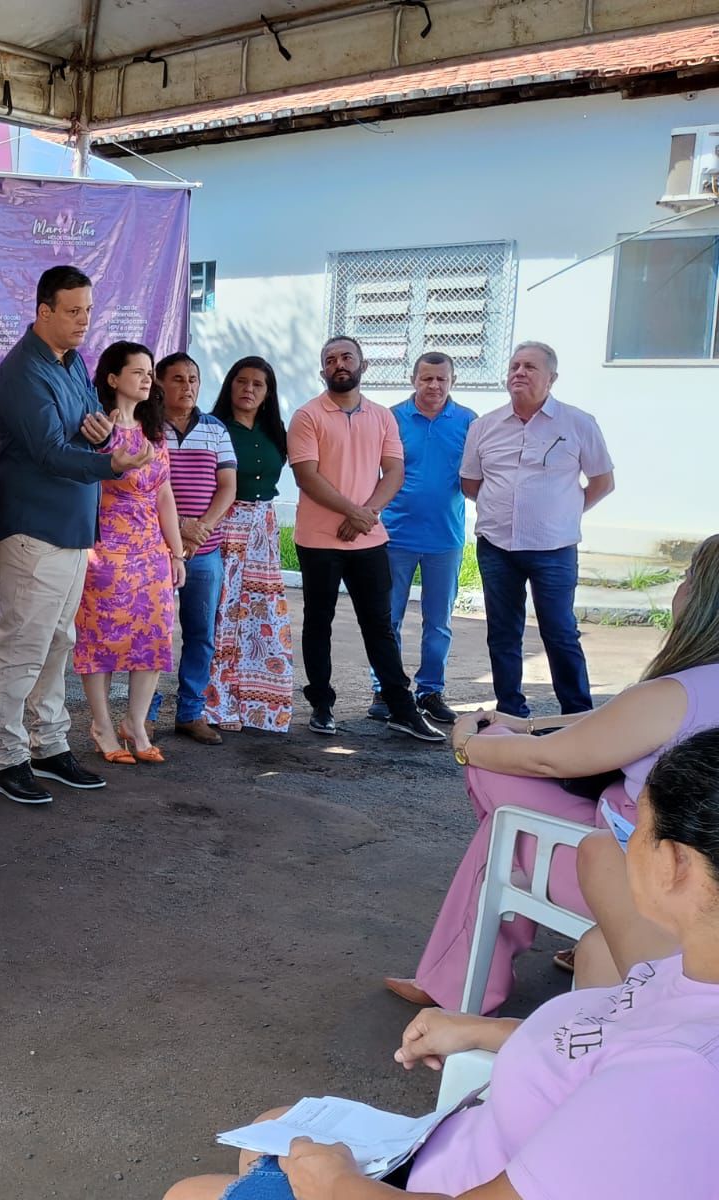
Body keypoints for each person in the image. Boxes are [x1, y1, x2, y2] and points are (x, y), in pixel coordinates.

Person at [165, 730, 719, 1200]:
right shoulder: (692, 971)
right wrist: (487, 1029)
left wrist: (337, 1185)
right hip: (457, 1148)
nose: (624, 845)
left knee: (190, 1192)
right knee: (270, 1127)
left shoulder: (682, 1078)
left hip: (441, 1183)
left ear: (673, 863)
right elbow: (619, 1040)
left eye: (636, 831)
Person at [384, 534, 719, 1013]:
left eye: (688, 578)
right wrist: (530, 723)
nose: (679, 588)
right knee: (508, 812)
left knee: (504, 797)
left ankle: (456, 989)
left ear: (706, 600)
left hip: (640, 875)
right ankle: (454, 981)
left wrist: (467, 745)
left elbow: (550, 760)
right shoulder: (687, 688)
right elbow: (614, 719)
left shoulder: (677, 692)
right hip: (677, 869)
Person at [0, 264, 154, 804]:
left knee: (60, 643)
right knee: (24, 647)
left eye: (88, 310)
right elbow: (50, 452)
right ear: (44, 312)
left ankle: (49, 746)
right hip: (35, 528)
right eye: (73, 311)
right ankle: (7, 758)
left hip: (74, 528)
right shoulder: (21, 372)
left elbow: (86, 424)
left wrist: (101, 431)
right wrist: (112, 464)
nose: (84, 321)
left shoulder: (72, 360)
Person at [288, 336, 443, 742]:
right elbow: (307, 476)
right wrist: (353, 512)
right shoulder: (307, 416)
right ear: (322, 370)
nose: (339, 364)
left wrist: (367, 514)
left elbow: (393, 471)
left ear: (363, 365)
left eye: (346, 357)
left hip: (368, 539)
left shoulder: (381, 416)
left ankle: (401, 708)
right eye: (330, 359)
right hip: (319, 539)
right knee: (318, 623)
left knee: (379, 625)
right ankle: (321, 705)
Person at [461, 341, 615, 717]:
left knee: (560, 632)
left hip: (554, 549)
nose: (519, 373)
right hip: (497, 548)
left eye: (529, 367)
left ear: (552, 378)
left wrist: (561, 512)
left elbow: (602, 482)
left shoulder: (578, 423)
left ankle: (576, 713)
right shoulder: (485, 426)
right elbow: (470, 483)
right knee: (503, 633)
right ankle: (511, 711)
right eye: (514, 366)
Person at [74, 342, 186, 763]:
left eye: (149, 371)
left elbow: (165, 496)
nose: (146, 378)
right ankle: (102, 725)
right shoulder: (97, 430)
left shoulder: (154, 433)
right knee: (99, 640)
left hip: (151, 553)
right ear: (112, 378)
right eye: (137, 370)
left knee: (153, 638)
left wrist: (175, 553)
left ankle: (135, 723)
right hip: (104, 549)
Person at [365, 353, 475, 726]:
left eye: (441, 379)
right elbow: (372, 469)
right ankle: (385, 689)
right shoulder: (392, 418)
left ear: (452, 381)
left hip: (445, 538)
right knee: (387, 618)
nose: (434, 386)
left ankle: (430, 691)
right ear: (413, 379)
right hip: (395, 535)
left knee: (438, 620)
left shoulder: (468, 422)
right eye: (426, 378)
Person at [204, 357, 293, 734]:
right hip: (226, 524)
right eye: (242, 382)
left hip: (263, 530)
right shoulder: (213, 428)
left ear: (268, 393)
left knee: (262, 616)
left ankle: (260, 706)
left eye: (258, 384)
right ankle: (216, 704)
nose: (249, 389)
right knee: (223, 612)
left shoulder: (276, 431)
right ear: (230, 385)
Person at [151, 352, 237, 745]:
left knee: (201, 634)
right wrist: (178, 528)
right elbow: (143, 488)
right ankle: (145, 713)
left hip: (205, 551)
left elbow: (228, 486)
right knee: (154, 634)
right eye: (179, 379)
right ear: (159, 383)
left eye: (193, 379)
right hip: (156, 550)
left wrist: (201, 527)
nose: (187, 386)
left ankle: (190, 712)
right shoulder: (146, 428)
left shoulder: (216, 429)